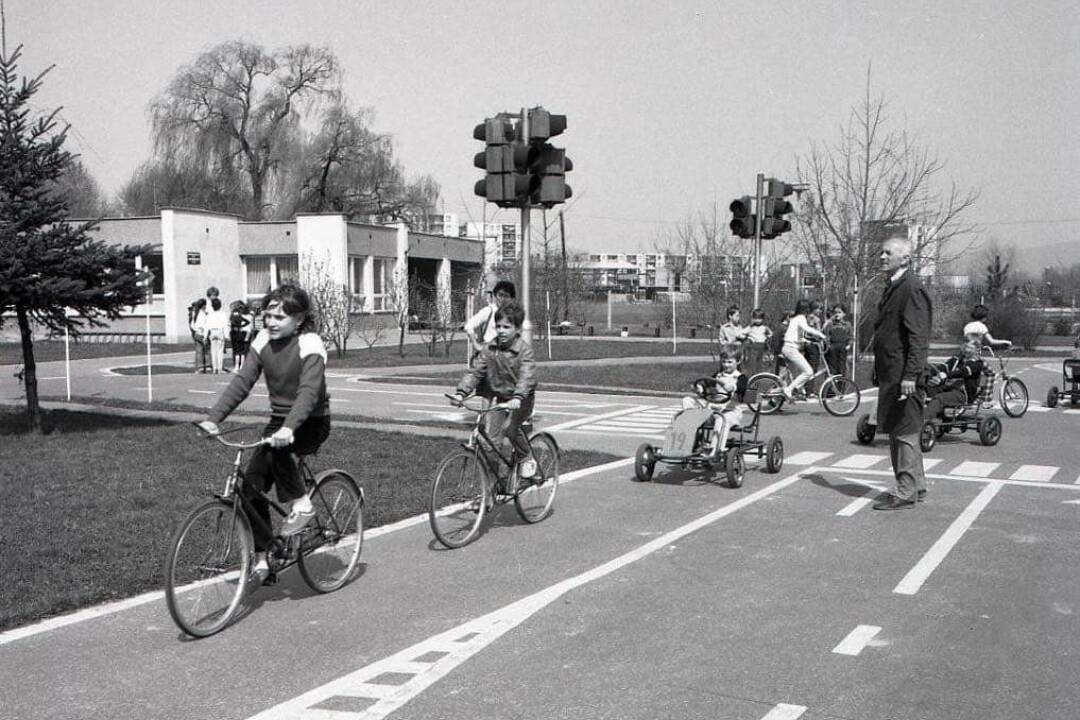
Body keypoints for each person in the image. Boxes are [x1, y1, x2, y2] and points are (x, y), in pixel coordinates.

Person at [197, 284, 331, 583]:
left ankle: (302, 504)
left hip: (312, 421)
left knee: (279, 445)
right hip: (280, 421)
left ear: (299, 319)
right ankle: (264, 558)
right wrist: (213, 419)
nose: (271, 322)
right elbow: (242, 382)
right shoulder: (262, 341)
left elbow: (309, 393)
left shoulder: (310, 342)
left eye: (279, 317)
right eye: (268, 315)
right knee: (249, 490)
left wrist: (288, 428)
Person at [871, 236, 932, 510]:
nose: (882, 257)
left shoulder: (911, 288)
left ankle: (905, 489)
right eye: (882, 253)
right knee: (901, 428)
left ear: (905, 259)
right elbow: (887, 334)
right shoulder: (895, 286)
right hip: (892, 371)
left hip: (902, 374)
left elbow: (918, 337)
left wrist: (910, 375)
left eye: (888, 253)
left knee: (904, 429)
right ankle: (915, 485)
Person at [451, 300, 539, 480]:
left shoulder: (524, 351)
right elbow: (475, 372)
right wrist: (461, 393)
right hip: (501, 398)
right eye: (498, 326)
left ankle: (526, 457)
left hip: (522, 400)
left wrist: (518, 397)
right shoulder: (489, 348)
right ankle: (496, 482)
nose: (501, 331)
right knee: (490, 442)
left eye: (506, 327)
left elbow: (526, 377)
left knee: (510, 429)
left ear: (517, 329)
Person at [681, 351, 747, 457]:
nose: (726, 365)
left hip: (731, 412)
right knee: (687, 400)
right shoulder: (718, 375)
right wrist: (699, 388)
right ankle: (691, 433)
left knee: (721, 419)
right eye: (724, 362)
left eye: (730, 362)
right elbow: (706, 385)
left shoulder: (740, 377)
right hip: (713, 409)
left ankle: (715, 450)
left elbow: (743, 387)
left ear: (738, 362)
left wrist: (733, 387)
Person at [924, 341, 985, 420]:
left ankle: (924, 421)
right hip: (948, 388)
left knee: (939, 398)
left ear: (977, 350)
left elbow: (963, 371)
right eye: (966, 347)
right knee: (926, 388)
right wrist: (932, 370)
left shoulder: (977, 364)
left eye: (971, 348)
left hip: (962, 393)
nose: (967, 350)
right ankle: (934, 415)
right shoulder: (956, 360)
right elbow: (944, 366)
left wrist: (946, 375)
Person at [780, 299, 827, 403]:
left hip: (789, 347)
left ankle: (795, 390)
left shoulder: (795, 318)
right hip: (790, 349)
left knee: (799, 373)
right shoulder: (800, 318)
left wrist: (808, 341)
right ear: (806, 309)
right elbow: (807, 329)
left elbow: (797, 336)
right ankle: (789, 390)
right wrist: (821, 335)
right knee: (808, 371)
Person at [464, 280, 516, 365]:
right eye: (500, 295)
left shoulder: (514, 314)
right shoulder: (489, 310)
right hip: (489, 354)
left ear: (511, 298)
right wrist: (476, 345)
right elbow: (469, 325)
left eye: (506, 296)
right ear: (495, 295)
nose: (502, 299)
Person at [823, 304, 853, 377]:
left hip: (843, 347)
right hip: (833, 348)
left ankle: (841, 386)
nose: (837, 314)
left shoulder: (847, 325)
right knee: (832, 368)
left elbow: (851, 337)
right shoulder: (830, 324)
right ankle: (831, 387)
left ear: (844, 314)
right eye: (835, 312)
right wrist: (828, 345)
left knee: (842, 368)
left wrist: (849, 345)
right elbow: (826, 336)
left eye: (839, 312)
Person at [203, 297, 230, 374]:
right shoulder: (223, 314)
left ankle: (214, 368)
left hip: (212, 332)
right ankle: (219, 368)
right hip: (220, 332)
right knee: (220, 351)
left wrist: (205, 336)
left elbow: (206, 326)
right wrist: (227, 335)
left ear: (212, 306)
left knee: (213, 351)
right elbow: (225, 325)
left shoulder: (209, 315)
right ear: (220, 305)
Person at [743, 308, 772, 377]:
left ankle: (758, 378)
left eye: (760, 318)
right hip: (753, 347)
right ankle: (751, 377)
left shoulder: (764, 327)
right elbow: (741, 333)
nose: (758, 320)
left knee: (760, 364)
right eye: (756, 318)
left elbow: (771, 334)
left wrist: (767, 337)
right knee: (752, 364)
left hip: (761, 347)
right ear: (753, 318)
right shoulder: (751, 327)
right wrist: (749, 338)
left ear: (763, 319)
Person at [229, 301, 254, 372]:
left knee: (236, 351)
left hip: (237, 333)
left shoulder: (235, 316)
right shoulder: (249, 316)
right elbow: (250, 325)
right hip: (245, 333)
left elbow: (231, 323)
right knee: (244, 351)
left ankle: (237, 365)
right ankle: (242, 366)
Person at [188, 298, 209, 373]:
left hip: (196, 333)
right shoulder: (203, 314)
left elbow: (192, 325)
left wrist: (195, 330)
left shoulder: (195, 313)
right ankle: (207, 366)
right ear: (203, 306)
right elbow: (205, 326)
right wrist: (205, 336)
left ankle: (199, 367)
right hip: (202, 333)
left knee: (198, 351)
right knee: (206, 350)